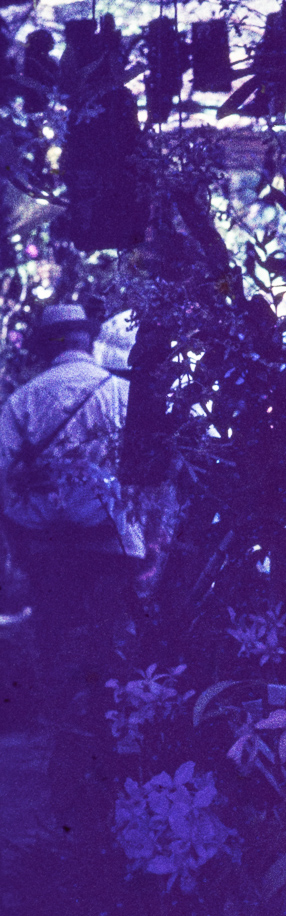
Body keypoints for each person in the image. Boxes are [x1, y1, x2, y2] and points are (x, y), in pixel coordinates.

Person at [0, 303, 144, 732]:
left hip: (49, 546)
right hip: (111, 542)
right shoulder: (122, 394)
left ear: (47, 346)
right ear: (87, 340)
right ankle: (111, 728)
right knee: (111, 640)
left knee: (57, 641)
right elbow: (149, 473)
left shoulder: (23, 400)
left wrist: (20, 528)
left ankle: (66, 733)